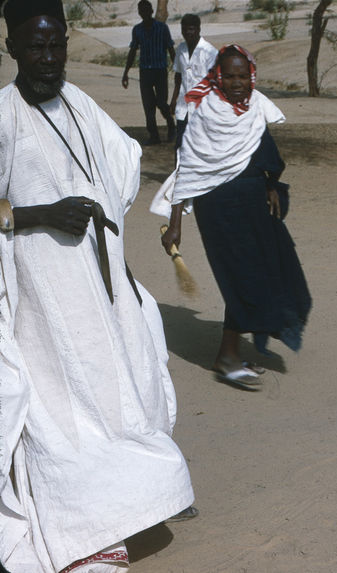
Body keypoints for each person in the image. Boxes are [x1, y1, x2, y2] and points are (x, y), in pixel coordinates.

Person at [0, 0, 195, 570]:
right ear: (11, 47)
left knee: (120, 390)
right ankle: (84, 530)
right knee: (63, 412)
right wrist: (40, 215)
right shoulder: (4, 114)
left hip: (102, 291)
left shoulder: (81, 104)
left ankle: (131, 503)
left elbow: (119, 169)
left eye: (57, 43)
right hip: (43, 303)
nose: (49, 57)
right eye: (35, 46)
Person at [153, 44, 312, 390]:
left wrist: (271, 185)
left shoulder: (256, 107)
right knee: (241, 277)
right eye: (230, 75)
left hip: (256, 205)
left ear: (251, 75)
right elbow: (188, 168)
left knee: (271, 270)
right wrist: (176, 223)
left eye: (243, 75)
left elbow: (265, 152)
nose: (237, 82)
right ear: (218, 76)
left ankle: (232, 353)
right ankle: (226, 357)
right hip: (220, 209)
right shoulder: (203, 112)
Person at [121, 0, 176, 145]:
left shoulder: (162, 28)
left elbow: (170, 48)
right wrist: (125, 72)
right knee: (148, 105)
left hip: (160, 70)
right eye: (141, 11)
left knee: (161, 102)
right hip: (145, 72)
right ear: (139, 13)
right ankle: (154, 135)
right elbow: (133, 51)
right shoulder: (137, 30)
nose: (144, 13)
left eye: (147, 10)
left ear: (151, 11)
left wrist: (177, 68)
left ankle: (171, 125)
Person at [169, 13, 217, 148]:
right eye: (184, 29)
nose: (187, 33)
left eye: (191, 29)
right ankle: (179, 169)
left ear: (198, 29)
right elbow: (178, 76)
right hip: (183, 106)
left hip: (202, 107)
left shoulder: (209, 52)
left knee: (201, 145)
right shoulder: (181, 49)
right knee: (181, 145)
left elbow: (215, 82)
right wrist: (174, 99)